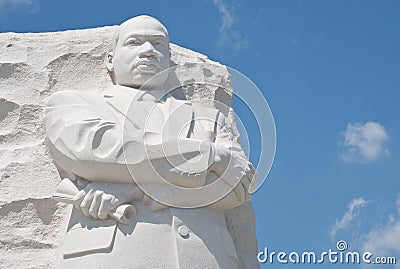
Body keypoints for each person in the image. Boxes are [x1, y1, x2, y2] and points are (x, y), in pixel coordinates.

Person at [46, 15, 255, 269]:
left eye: (158, 44)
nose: (148, 51)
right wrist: (209, 156)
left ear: (170, 61)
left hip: (207, 257)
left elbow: (238, 185)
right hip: (110, 256)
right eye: (135, 42)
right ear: (110, 61)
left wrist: (131, 190)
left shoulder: (210, 118)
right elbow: (94, 151)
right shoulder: (74, 103)